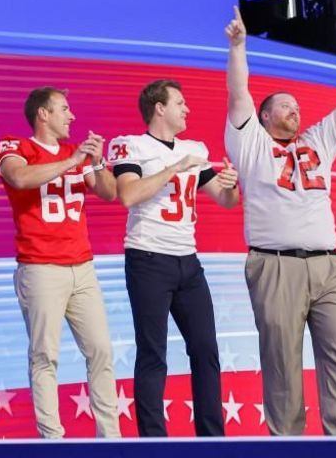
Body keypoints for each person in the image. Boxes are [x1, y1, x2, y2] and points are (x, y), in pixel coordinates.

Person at [223, 6, 336, 435]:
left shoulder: (318, 138)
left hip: (329, 264)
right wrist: (239, 48)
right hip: (275, 263)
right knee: (281, 361)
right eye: (284, 106)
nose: (294, 110)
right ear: (263, 117)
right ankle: (288, 443)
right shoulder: (249, 144)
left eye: (296, 106)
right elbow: (239, 94)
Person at [108, 80, 239, 437]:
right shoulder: (131, 144)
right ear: (159, 107)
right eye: (180, 103)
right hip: (148, 257)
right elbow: (128, 195)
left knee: (205, 349)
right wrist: (174, 167)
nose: (188, 109)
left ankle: (212, 438)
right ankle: (154, 441)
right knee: (153, 353)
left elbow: (226, 201)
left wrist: (230, 182)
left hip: (188, 260)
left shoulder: (195, 148)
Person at [0, 86, 120, 438]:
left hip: (82, 266)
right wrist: (72, 161)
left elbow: (109, 193)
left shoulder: (75, 153)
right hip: (40, 266)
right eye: (64, 109)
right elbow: (19, 177)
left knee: (101, 350)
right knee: (44, 355)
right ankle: (53, 439)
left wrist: (94, 159)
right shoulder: (15, 146)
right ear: (43, 114)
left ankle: (110, 438)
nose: (72, 116)